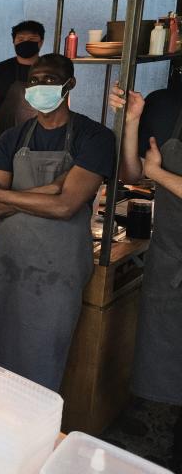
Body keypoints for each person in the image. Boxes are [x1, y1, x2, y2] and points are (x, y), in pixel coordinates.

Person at [0, 54, 115, 392]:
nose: (39, 87)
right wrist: (49, 189)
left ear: (69, 84)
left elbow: (66, 207)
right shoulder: (11, 138)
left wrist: (12, 195)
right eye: (34, 80)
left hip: (57, 269)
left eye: (49, 79)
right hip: (8, 262)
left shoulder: (94, 137)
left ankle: (33, 427)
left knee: (42, 350)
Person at [110, 81, 182, 457]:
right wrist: (132, 123)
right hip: (171, 258)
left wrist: (161, 174)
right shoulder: (166, 102)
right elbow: (132, 174)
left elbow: (153, 173)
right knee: (167, 375)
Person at [0, 20, 44, 153]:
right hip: (1, 137)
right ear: (14, 42)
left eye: (32, 39)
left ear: (41, 42)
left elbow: (63, 105)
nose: (25, 42)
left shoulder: (49, 70)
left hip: (39, 139)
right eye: (21, 39)